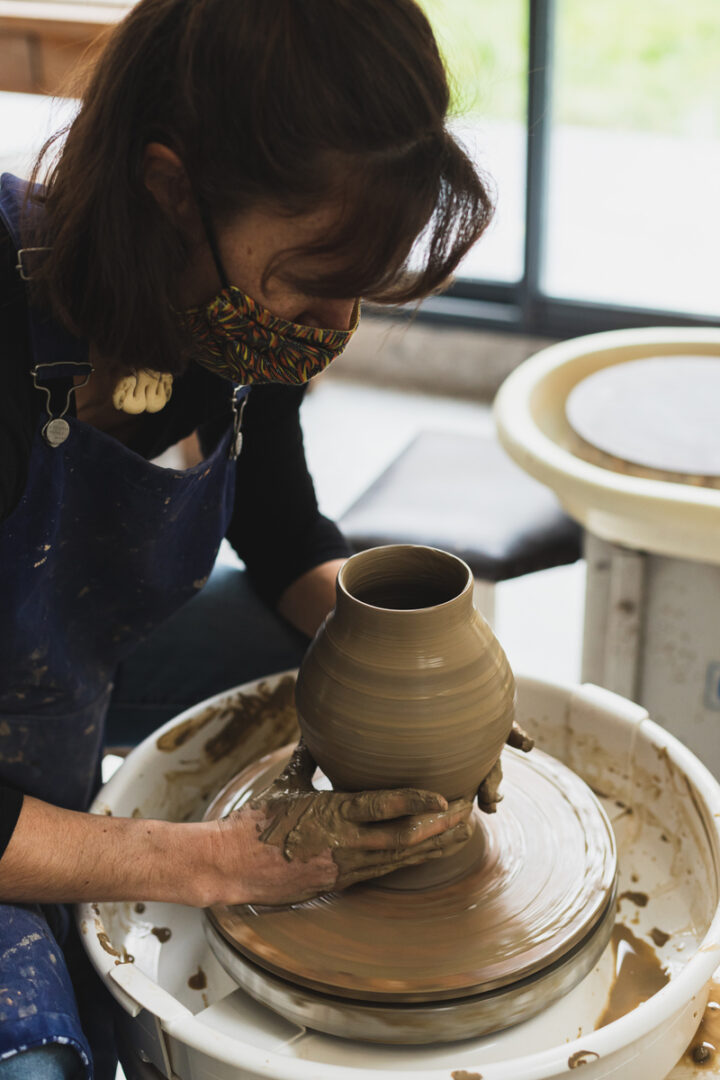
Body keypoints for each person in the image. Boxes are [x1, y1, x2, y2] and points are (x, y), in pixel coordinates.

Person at [0, 1, 498, 1076]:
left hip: (59, 682)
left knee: (336, 649)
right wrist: (207, 860)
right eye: (318, 284)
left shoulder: (224, 316)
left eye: (361, 289)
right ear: (173, 190)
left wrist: (431, 675)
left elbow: (280, 531)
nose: (338, 328)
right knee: (37, 1052)